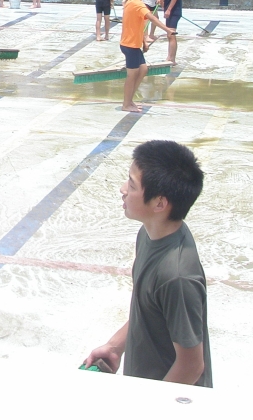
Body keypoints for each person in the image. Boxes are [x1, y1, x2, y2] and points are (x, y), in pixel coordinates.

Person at [83, 140, 211, 387]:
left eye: (132, 185)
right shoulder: (150, 234)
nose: (122, 189)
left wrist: (150, 404)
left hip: (166, 397)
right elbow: (149, 308)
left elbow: (192, 366)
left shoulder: (177, 277)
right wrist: (115, 347)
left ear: (159, 203)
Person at [120, 0, 173, 113]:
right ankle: (126, 104)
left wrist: (144, 42)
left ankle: (129, 100)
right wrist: (168, 30)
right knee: (131, 75)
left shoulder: (131, 1)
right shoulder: (138, 4)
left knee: (143, 69)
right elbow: (153, 18)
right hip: (130, 45)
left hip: (134, 44)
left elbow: (140, 25)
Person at [162, 0, 183, 65]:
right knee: (169, 35)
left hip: (174, 12)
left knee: (172, 34)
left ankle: (172, 59)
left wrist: (169, 9)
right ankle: (169, 56)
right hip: (169, 12)